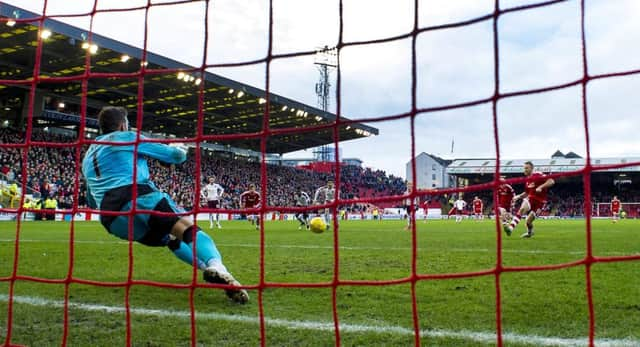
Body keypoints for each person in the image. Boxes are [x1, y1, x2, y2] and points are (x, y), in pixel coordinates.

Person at [82, 106, 248, 304]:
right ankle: (218, 267)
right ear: (122, 124)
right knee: (186, 229)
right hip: (137, 196)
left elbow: (91, 201)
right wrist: (180, 148)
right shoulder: (126, 136)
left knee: (170, 239)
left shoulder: (87, 156)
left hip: (112, 220)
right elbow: (175, 156)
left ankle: (208, 270)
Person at [505, 161, 555, 238]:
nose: (524, 170)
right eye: (524, 168)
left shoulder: (538, 174)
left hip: (541, 202)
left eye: (526, 168)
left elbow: (551, 181)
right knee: (522, 208)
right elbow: (526, 193)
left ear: (532, 168)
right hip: (531, 198)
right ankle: (510, 228)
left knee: (528, 222)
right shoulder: (527, 180)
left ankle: (530, 233)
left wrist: (541, 187)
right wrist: (517, 196)